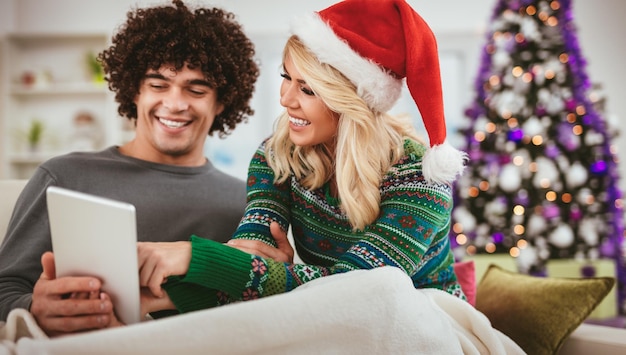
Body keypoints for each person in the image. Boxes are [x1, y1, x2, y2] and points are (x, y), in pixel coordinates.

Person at [136, 0, 469, 315]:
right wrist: (161, 298)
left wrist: (196, 257)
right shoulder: (276, 155)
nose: (286, 99)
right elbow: (253, 250)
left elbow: (359, 290)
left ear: (350, 102)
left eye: (307, 89)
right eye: (286, 78)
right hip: (332, 320)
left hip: (429, 319)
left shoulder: (419, 179)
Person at [0, 0, 292, 337]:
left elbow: (254, 312)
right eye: (157, 85)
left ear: (221, 101)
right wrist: (35, 309)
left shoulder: (246, 202)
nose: (175, 103)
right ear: (134, 90)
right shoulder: (64, 177)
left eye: (196, 89)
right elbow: (5, 288)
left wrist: (272, 278)